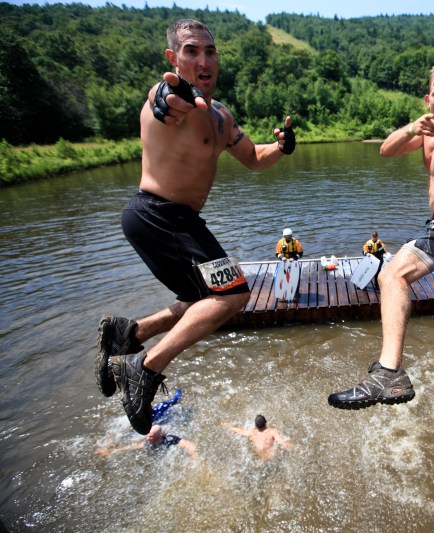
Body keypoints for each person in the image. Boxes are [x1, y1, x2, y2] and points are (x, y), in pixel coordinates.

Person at [95, 18, 296, 435]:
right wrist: (172, 97)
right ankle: (145, 368)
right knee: (234, 293)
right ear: (174, 58)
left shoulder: (221, 115)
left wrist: (281, 146)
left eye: (209, 51)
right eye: (191, 51)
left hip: (177, 221)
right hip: (158, 214)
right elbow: (164, 101)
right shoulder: (170, 95)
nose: (203, 59)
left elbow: (254, 158)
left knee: (201, 298)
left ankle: (131, 331)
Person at [328, 60, 434, 423]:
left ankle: (389, 373)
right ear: (427, 98)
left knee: (391, 276)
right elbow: (386, 150)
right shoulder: (424, 132)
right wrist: (412, 128)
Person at [96, 424, 197, 459]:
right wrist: (113, 451)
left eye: (151, 436)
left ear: (158, 436)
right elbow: (134, 446)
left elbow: (190, 444)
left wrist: (194, 457)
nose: (148, 438)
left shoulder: (170, 440)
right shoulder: (148, 442)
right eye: (148, 436)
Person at [222, 414, 294, 460]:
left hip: (260, 457)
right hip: (270, 457)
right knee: (280, 450)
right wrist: (296, 449)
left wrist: (229, 426)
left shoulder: (252, 432)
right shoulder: (272, 431)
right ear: (266, 422)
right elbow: (283, 443)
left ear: (256, 425)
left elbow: (240, 431)